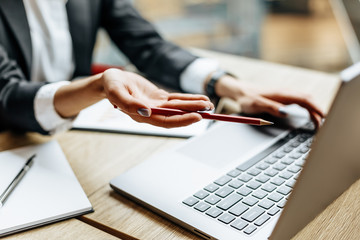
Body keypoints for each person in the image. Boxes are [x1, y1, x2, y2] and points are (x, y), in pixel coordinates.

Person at [0, 0, 323, 135]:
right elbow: (7, 95)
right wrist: (98, 86)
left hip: (73, 138)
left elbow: (148, 45)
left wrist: (229, 86)